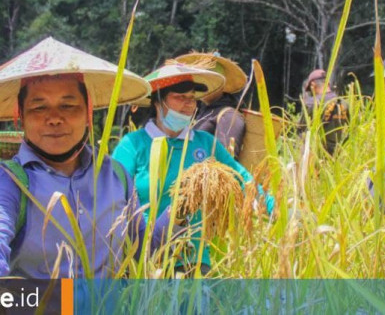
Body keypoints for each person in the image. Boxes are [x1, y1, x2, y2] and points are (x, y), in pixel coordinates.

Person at [0, 37, 172, 278]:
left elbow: (143, 251)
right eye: (39, 108)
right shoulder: (9, 182)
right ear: (21, 118)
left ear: (88, 114)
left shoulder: (116, 177)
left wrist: (181, 207)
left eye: (68, 106)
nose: (54, 118)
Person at [112, 62, 274, 275]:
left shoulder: (204, 143)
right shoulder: (133, 145)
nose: (188, 105)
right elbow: (113, 196)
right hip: (141, 260)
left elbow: (241, 178)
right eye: (180, 98)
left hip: (193, 259)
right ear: (159, 101)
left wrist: (276, 210)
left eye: (192, 99)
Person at [175, 52, 247, 158]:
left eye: (210, 81)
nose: (203, 85)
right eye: (200, 81)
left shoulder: (228, 116)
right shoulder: (202, 112)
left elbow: (224, 163)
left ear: (221, 84)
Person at [301, 69, 349, 154]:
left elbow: (302, 130)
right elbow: (351, 129)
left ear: (313, 85)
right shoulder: (343, 103)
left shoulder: (311, 103)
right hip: (339, 156)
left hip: (318, 157)